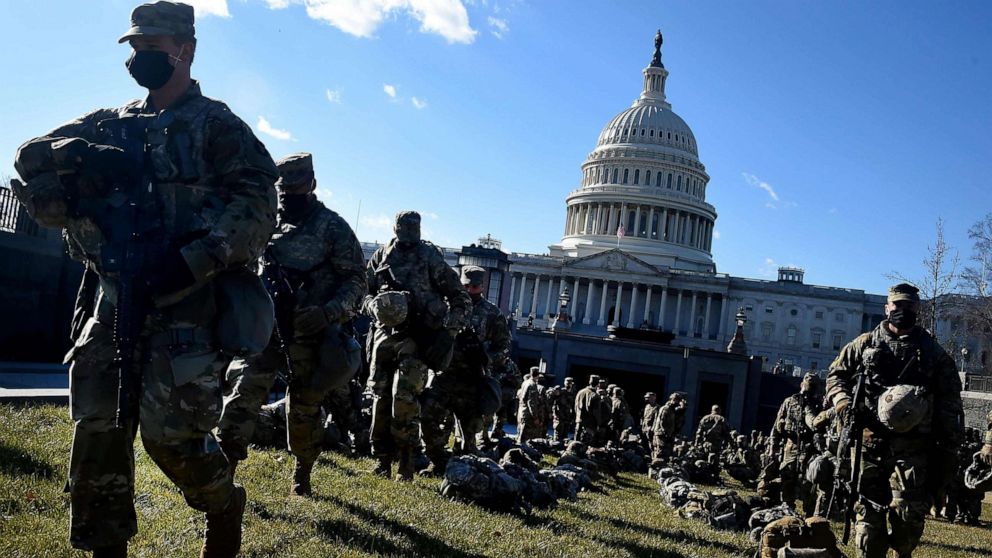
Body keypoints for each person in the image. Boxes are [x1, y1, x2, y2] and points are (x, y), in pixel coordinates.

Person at [10, 2, 279, 556]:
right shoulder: (110, 121)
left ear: (186, 49)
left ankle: (224, 505)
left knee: (173, 440)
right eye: (135, 48)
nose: (140, 58)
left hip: (185, 304)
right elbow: (29, 157)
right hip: (111, 300)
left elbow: (257, 204)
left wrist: (195, 257)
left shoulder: (219, 127)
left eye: (152, 48)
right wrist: (77, 159)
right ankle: (105, 546)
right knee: (98, 433)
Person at [217, 152, 366, 495]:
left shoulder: (333, 228)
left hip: (309, 333)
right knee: (242, 393)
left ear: (312, 184)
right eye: (284, 190)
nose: (289, 196)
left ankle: (303, 471)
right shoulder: (267, 222)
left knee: (303, 407)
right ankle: (224, 470)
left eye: (296, 188)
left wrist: (329, 312)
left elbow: (357, 281)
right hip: (264, 329)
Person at [825, 283, 963, 558]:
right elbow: (835, 376)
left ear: (917, 310)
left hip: (913, 449)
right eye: (897, 305)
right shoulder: (864, 344)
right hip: (869, 444)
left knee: (908, 520)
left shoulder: (933, 354)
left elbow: (950, 402)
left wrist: (947, 451)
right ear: (887, 308)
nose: (902, 311)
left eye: (909, 306)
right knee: (867, 522)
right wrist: (842, 403)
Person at [363, 211, 471, 481]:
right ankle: (382, 460)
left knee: (405, 400)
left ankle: (407, 462)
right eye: (405, 229)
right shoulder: (381, 257)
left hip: (418, 339)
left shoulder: (430, 258)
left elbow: (460, 298)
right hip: (385, 337)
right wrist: (373, 308)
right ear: (396, 228)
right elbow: (363, 291)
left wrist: (449, 332)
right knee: (380, 400)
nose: (409, 234)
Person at [420, 265, 512, 474]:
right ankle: (438, 461)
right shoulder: (446, 307)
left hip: (472, 380)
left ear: (482, 286)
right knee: (429, 419)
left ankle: (464, 470)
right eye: (467, 286)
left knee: (469, 435)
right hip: (444, 376)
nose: (471, 290)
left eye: (476, 286)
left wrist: (486, 358)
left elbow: (505, 345)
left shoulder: (492, 313)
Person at [760, 372, 821, 508]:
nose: (808, 390)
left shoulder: (818, 405)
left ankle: (809, 510)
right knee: (787, 478)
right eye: (807, 386)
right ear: (801, 385)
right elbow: (777, 426)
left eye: (812, 387)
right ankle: (787, 505)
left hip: (810, 449)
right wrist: (772, 448)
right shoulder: (790, 402)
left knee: (809, 481)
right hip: (791, 447)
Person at [517, 367, 549, 443]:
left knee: (521, 434)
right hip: (528, 415)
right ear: (537, 375)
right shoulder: (532, 385)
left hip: (522, 412)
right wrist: (535, 417)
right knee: (526, 439)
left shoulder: (525, 382)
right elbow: (531, 403)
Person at [652, 392, 687, 461]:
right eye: (678, 401)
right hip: (662, 434)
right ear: (673, 400)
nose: (678, 403)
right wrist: (667, 434)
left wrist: (683, 408)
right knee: (661, 453)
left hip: (668, 434)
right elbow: (662, 422)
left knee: (667, 453)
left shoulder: (672, 409)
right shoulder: (666, 409)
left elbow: (679, 419)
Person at [574, 375, 603, 445]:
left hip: (579, 422)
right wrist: (599, 423)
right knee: (586, 445)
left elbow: (575, 407)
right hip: (590, 425)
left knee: (576, 444)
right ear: (598, 384)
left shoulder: (580, 392)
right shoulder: (595, 396)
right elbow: (596, 412)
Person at [549, 377, 577, 443]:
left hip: (567, 418)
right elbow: (551, 401)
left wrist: (573, 417)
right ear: (564, 383)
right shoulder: (560, 392)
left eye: (569, 383)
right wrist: (551, 412)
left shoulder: (573, 394)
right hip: (559, 418)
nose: (568, 385)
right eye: (567, 383)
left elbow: (574, 406)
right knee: (557, 437)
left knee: (565, 437)